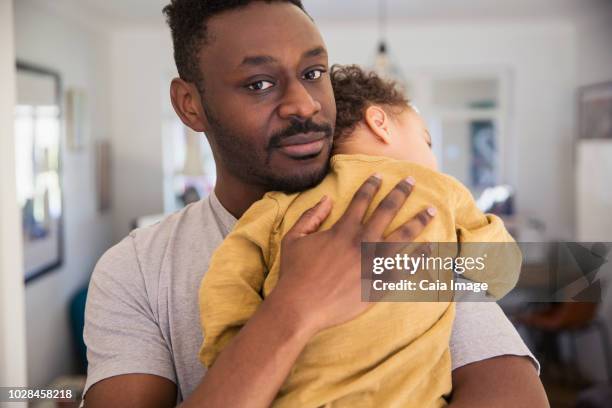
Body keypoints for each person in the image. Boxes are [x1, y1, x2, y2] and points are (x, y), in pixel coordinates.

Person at [83, 1, 548, 407]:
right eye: (260, 83)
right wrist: (295, 306)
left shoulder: (400, 221)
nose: (303, 105)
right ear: (190, 105)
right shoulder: (135, 269)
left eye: (312, 73)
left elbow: (515, 395)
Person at [198, 64, 522, 407]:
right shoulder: (438, 190)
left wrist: (233, 352)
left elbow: (226, 283)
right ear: (379, 123)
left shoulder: (279, 205)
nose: (432, 156)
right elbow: (500, 271)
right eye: (427, 139)